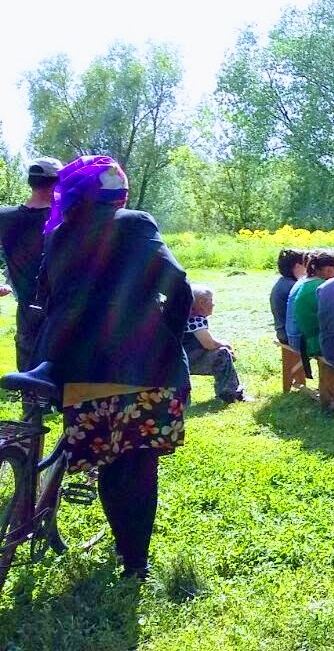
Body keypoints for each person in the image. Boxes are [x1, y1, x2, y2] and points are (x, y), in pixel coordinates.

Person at [34, 155, 190, 579]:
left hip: (79, 370)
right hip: (142, 369)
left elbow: (48, 297)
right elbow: (177, 282)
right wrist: (170, 336)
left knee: (108, 460)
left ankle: (125, 550)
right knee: (138, 464)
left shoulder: (61, 234)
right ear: (116, 193)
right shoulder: (134, 222)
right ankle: (134, 563)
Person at [0, 155, 60, 420]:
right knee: (76, 393)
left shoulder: (6, 217)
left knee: (30, 390)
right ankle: (73, 456)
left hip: (28, 313)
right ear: (56, 185)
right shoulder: (64, 219)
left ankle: (26, 456)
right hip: (64, 313)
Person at [185, 285, 248, 403]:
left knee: (222, 353)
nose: (213, 304)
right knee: (223, 354)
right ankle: (231, 394)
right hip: (187, 361)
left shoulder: (185, 316)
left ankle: (229, 393)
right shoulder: (195, 319)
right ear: (202, 303)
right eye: (211, 301)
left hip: (182, 360)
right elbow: (209, 344)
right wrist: (226, 345)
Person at [292, 249, 334, 367]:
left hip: (310, 340)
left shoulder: (307, 284)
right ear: (329, 270)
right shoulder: (323, 287)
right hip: (318, 343)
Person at [270, 248, 305, 345]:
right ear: (298, 267)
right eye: (306, 264)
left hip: (282, 332)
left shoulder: (283, 281)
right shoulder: (294, 287)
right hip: (289, 336)